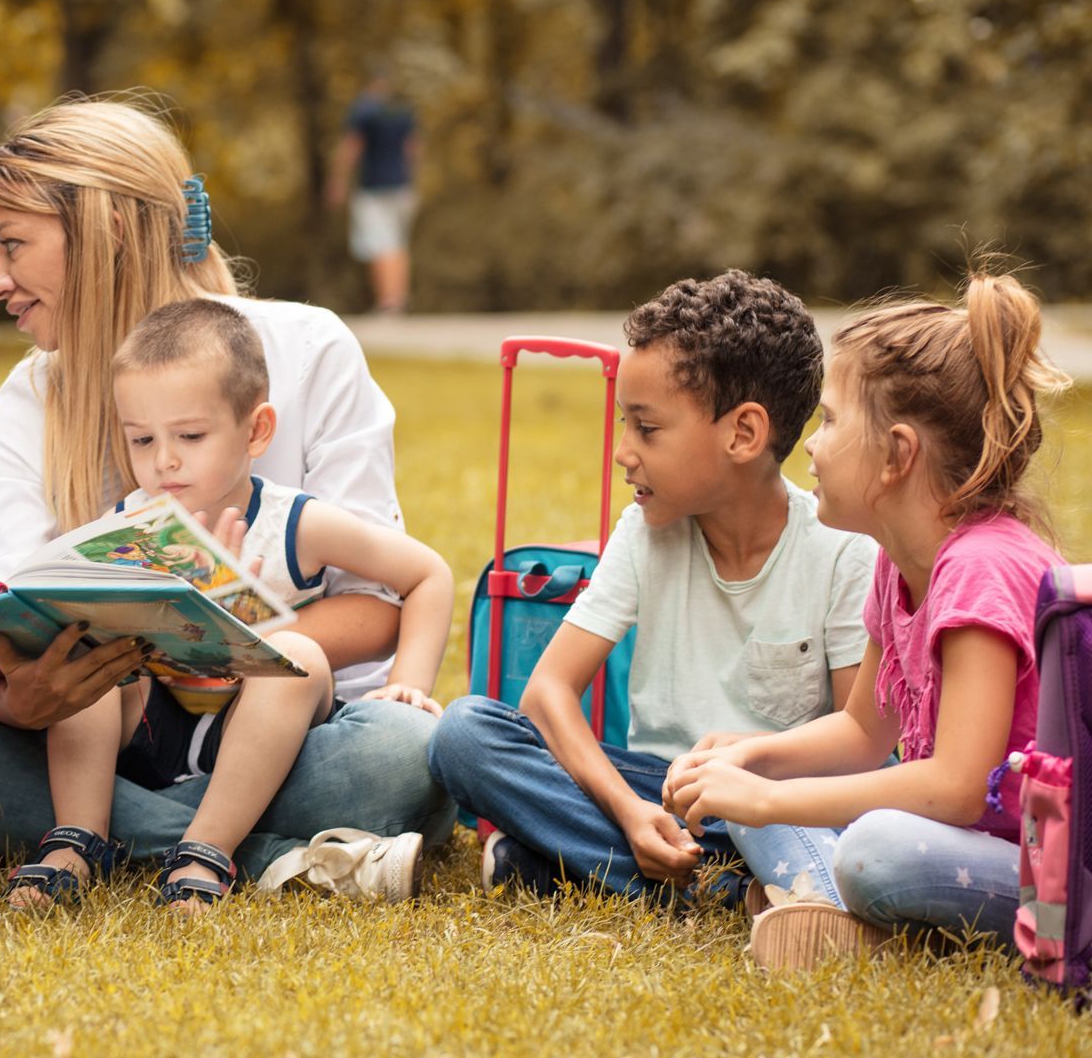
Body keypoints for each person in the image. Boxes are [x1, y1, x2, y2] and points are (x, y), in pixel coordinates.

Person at [0, 97, 456, 899]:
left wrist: (222, 647)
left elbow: (380, 604)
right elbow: (14, 628)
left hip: (289, 737)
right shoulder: (29, 401)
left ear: (107, 233)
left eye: (13, 246)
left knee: (403, 749)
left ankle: (89, 840)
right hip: (101, 746)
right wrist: (17, 696)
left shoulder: (306, 348)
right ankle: (262, 858)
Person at [663, 270, 1071, 970]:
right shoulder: (894, 562)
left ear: (898, 455)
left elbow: (955, 785)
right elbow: (861, 732)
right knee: (762, 804)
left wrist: (766, 798)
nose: (811, 447)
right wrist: (753, 758)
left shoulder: (978, 569)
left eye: (828, 420)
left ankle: (822, 901)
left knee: (872, 847)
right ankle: (833, 913)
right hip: (966, 840)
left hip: (1054, 879)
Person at [427, 270, 877, 904]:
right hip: (648, 790)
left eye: (648, 428)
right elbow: (549, 692)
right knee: (464, 734)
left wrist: (751, 763)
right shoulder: (645, 530)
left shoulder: (843, 553)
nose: (623, 452)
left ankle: (567, 865)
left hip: (774, 805)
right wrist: (631, 811)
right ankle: (712, 887)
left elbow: (857, 747)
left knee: (842, 815)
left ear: (743, 435)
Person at [6, 299, 455, 911]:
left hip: (266, 735)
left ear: (257, 430)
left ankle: (204, 852)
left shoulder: (295, 523)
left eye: (189, 436)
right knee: (74, 662)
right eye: (141, 439)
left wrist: (409, 685)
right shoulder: (128, 524)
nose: (163, 459)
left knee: (301, 656)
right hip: (153, 735)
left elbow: (428, 573)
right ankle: (79, 841)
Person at [326, 73, 418, 315]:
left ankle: (388, 302)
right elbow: (413, 149)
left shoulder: (364, 111)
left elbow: (352, 148)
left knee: (380, 244)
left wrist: (338, 181)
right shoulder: (404, 111)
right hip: (402, 187)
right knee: (398, 244)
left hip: (373, 187)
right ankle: (399, 298)